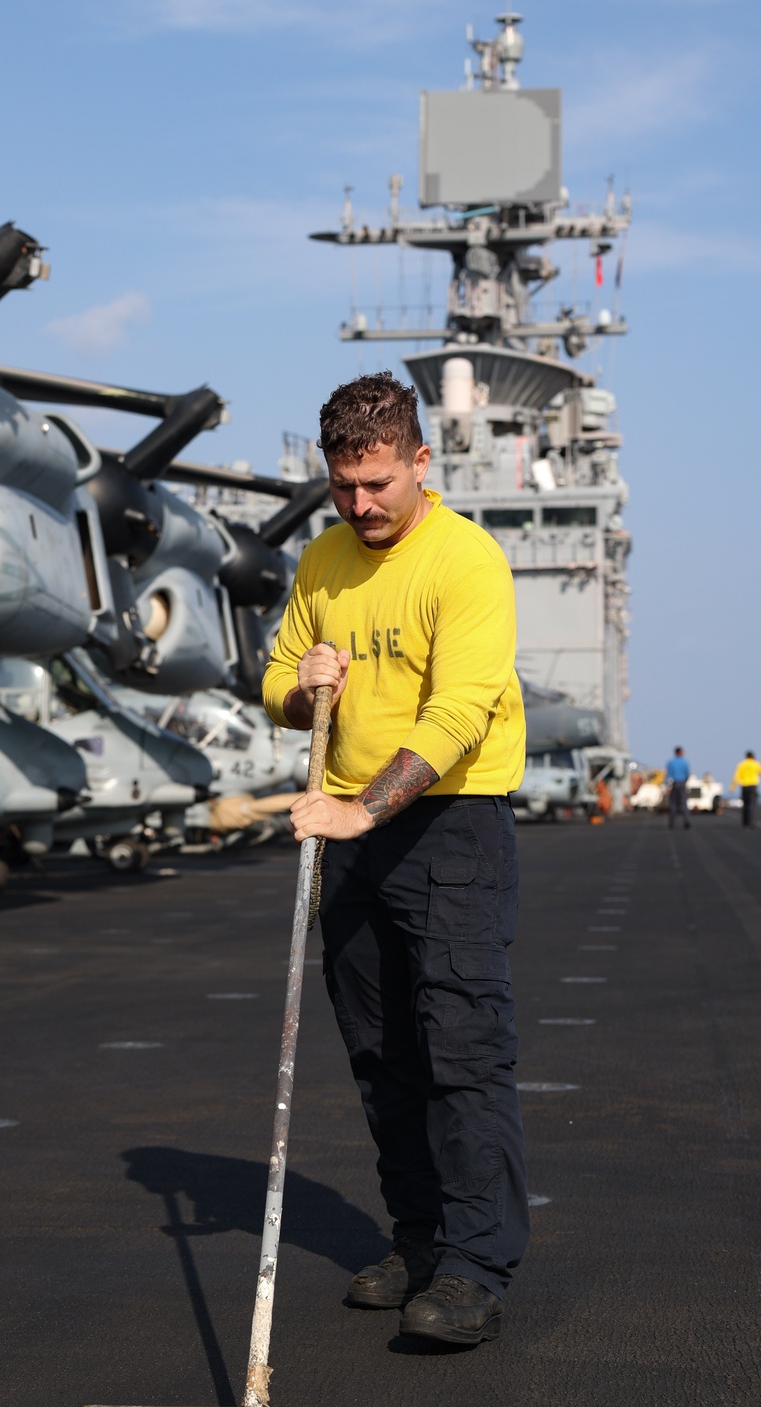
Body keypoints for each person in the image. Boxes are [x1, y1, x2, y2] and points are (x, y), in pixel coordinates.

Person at [262, 372, 528, 1348]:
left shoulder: (466, 562)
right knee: (382, 1055)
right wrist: (302, 687)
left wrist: (360, 808)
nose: (360, 506)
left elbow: (458, 713)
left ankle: (474, 1265)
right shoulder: (323, 560)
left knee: (462, 1051)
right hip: (350, 831)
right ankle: (416, 1240)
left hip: (447, 826)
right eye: (342, 486)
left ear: (420, 461)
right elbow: (275, 681)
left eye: (376, 484)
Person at [732, 751, 761, 828]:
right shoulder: (755, 764)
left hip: (744, 786)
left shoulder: (742, 764)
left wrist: (733, 786)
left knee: (745, 804)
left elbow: (736, 776)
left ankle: (745, 822)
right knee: (751, 805)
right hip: (752, 786)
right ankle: (751, 821)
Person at [665, 746, 691, 831]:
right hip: (682, 784)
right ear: (680, 752)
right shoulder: (685, 762)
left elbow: (668, 775)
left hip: (674, 784)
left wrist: (667, 786)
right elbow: (687, 774)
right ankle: (686, 821)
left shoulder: (671, 762)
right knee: (684, 804)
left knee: (673, 804)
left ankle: (672, 823)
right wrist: (684, 782)